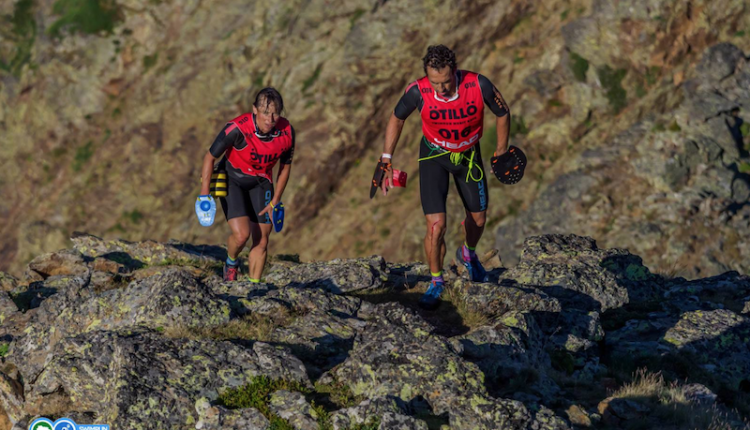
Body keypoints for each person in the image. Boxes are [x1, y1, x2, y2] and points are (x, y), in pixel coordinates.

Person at [377, 45, 511, 309]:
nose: (441, 88)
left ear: (456, 71)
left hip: (468, 156)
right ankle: (436, 281)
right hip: (433, 157)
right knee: (436, 226)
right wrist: (386, 159)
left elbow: (502, 112)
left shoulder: (478, 84)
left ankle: (468, 255)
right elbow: (396, 118)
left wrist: (501, 152)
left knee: (479, 219)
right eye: (435, 82)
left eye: (446, 81)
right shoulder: (418, 90)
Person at [199, 87, 295, 282]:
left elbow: (285, 168)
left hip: (261, 183)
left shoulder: (287, 132)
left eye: (276, 113)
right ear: (255, 110)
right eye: (266, 112)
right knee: (242, 235)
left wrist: (276, 200)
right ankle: (231, 263)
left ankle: (254, 288)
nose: (270, 119)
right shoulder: (237, 128)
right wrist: (204, 194)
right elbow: (210, 157)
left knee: (262, 240)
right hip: (232, 179)